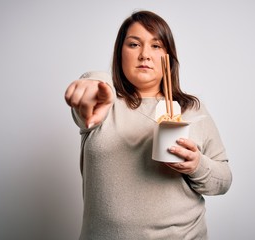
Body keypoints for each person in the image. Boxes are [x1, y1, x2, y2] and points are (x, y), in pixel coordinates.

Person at [65, 10, 232, 240]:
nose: (144, 54)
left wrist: (196, 165)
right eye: (134, 44)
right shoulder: (103, 104)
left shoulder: (191, 109)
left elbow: (223, 180)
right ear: (120, 53)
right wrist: (94, 81)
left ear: (168, 56)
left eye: (156, 46)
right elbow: (92, 91)